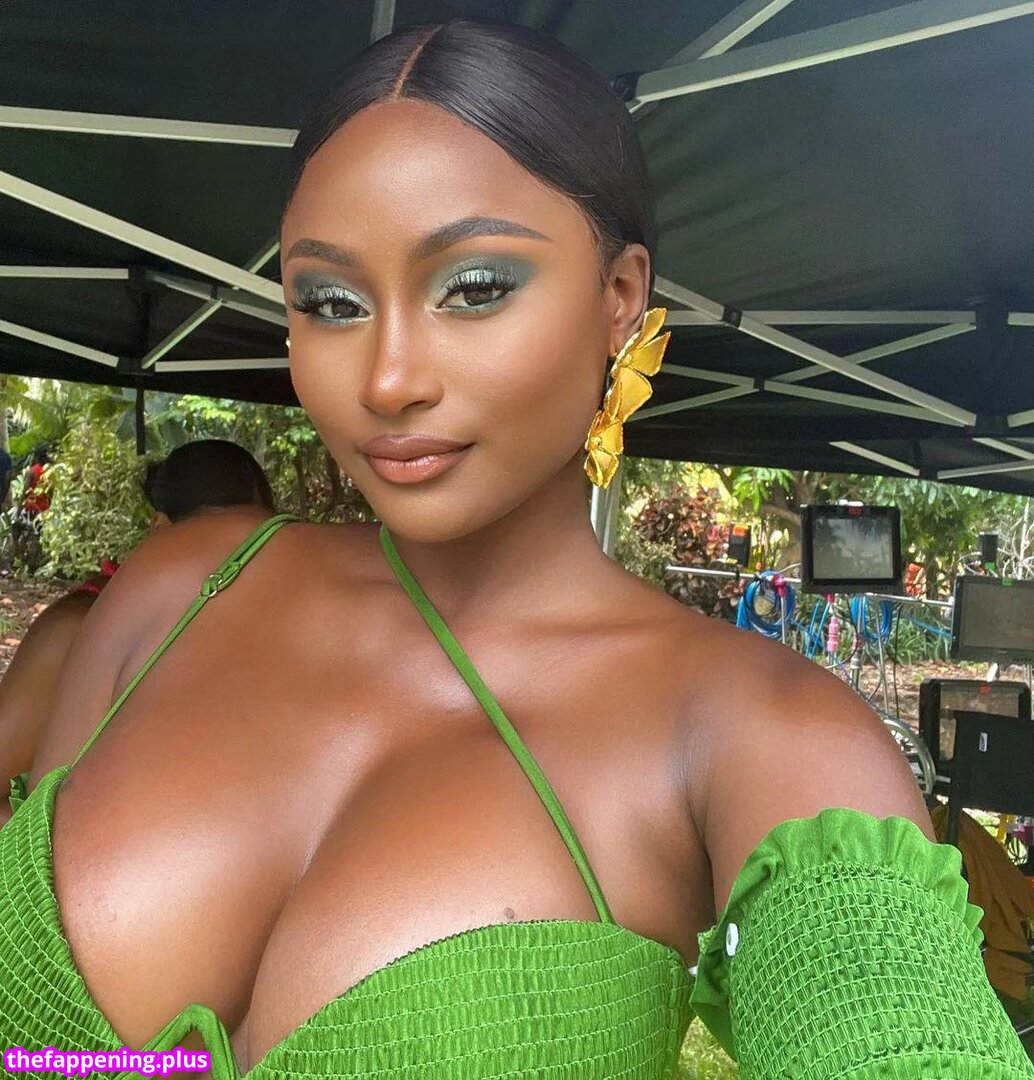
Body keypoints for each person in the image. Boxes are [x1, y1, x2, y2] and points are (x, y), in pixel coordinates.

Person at [0, 20, 1030, 1080]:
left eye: (476, 287)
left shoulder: (758, 733)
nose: (389, 378)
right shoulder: (180, 593)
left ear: (619, 299)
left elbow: (892, 1030)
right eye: (332, 302)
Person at [0, 440, 275, 825]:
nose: (239, 558)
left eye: (257, 541)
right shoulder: (76, 627)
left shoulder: (261, 626)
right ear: (161, 529)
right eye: (216, 538)